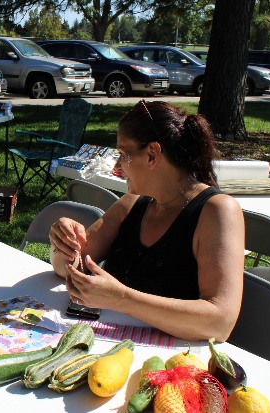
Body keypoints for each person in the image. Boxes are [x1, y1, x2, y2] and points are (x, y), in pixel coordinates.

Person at [49, 100, 244, 342]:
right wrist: (62, 243)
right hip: (107, 348)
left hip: (169, 364)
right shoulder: (132, 203)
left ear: (152, 154)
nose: (117, 168)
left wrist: (121, 298)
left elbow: (220, 323)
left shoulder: (216, 211)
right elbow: (68, 268)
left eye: (123, 155)